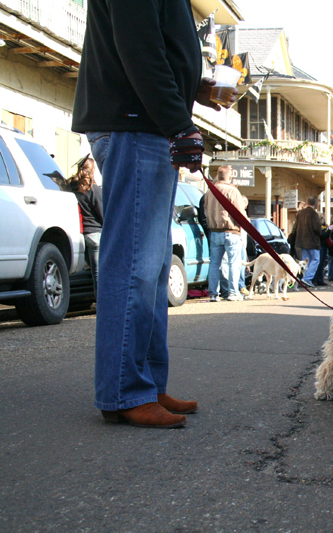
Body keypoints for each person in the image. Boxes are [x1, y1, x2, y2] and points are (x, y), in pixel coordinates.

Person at [72, 0, 236, 428]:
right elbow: (139, 47)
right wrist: (177, 122)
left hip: (144, 123)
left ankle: (144, 383)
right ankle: (125, 390)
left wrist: (191, 87)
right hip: (135, 122)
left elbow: (152, 45)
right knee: (135, 266)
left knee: (153, 265)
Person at [204, 165, 248, 302]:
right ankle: (233, 292)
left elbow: (205, 211)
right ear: (229, 177)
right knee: (233, 263)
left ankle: (213, 294)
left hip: (215, 231)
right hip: (231, 231)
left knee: (214, 263)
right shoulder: (232, 191)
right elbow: (239, 212)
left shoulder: (209, 192)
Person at [70, 154, 103, 297]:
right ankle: (102, 303)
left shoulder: (73, 189)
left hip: (82, 236)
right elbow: (103, 215)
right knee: (99, 273)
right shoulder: (94, 190)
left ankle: (98, 301)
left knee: (93, 272)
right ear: (92, 170)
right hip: (96, 235)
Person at [295, 196, 322, 286]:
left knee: (305, 261)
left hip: (301, 241)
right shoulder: (314, 214)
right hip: (313, 242)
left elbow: (295, 227)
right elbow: (317, 229)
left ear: (306, 203)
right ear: (315, 204)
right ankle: (307, 278)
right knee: (315, 260)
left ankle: (304, 278)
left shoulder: (300, 213)